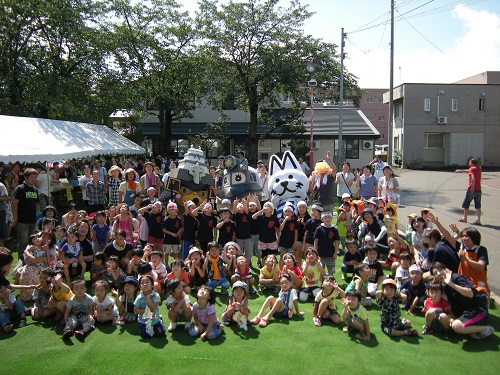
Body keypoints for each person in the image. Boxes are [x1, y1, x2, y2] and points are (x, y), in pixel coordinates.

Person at [431, 261, 494, 340]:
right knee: (454, 324)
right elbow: (450, 302)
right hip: (466, 312)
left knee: (456, 326)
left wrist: (451, 284)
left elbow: (470, 294)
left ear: (445, 269)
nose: (438, 274)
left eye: (440, 270)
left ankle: (486, 329)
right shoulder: (445, 287)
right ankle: (472, 329)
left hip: (478, 310)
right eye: (435, 273)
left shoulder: (457, 278)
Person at [11, 167, 39, 258]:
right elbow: (14, 203)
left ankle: (30, 260)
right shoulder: (20, 189)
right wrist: (15, 218)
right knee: (23, 243)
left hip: (32, 220)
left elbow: (36, 205)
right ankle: (21, 261)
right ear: (26, 178)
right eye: (31, 177)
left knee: (32, 242)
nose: (34, 179)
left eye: (35, 177)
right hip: (22, 220)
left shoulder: (35, 190)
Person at [456, 158, 482, 225]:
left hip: (472, 189)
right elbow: (470, 171)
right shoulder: (479, 168)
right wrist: (460, 171)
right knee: (478, 205)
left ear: (472, 163)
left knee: (466, 203)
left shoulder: (472, 169)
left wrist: (472, 189)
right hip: (479, 189)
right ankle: (478, 220)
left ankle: (465, 218)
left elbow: (473, 179)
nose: (469, 163)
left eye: (469, 162)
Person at [313, 211, 339, 275]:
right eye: (325, 218)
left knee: (331, 270)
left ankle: (330, 281)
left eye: (329, 217)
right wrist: (315, 252)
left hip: (331, 254)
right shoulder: (319, 229)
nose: (328, 219)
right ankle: (321, 283)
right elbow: (316, 240)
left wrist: (335, 253)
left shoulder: (334, 230)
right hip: (320, 253)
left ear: (332, 218)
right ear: (322, 219)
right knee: (320, 270)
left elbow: (336, 242)